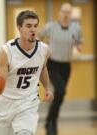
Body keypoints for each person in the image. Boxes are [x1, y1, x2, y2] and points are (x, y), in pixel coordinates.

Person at [0, 10, 54, 135]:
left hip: (27, 102)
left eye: (35, 26)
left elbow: (43, 68)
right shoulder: (6, 51)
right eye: (29, 26)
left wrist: (47, 88)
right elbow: (0, 82)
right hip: (5, 103)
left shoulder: (44, 49)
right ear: (19, 28)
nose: (33, 30)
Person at [38, 3, 83, 135]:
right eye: (64, 11)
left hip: (66, 66)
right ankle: (51, 123)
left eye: (68, 12)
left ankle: (50, 121)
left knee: (60, 95)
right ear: (59, 13)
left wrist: (79, 46)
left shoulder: (76, 28)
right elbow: (38, 36)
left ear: (71, 14)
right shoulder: (50, 27)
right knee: (61, 90)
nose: (66, 14)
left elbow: (80, 42)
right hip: (53, 64)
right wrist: (41, 49)